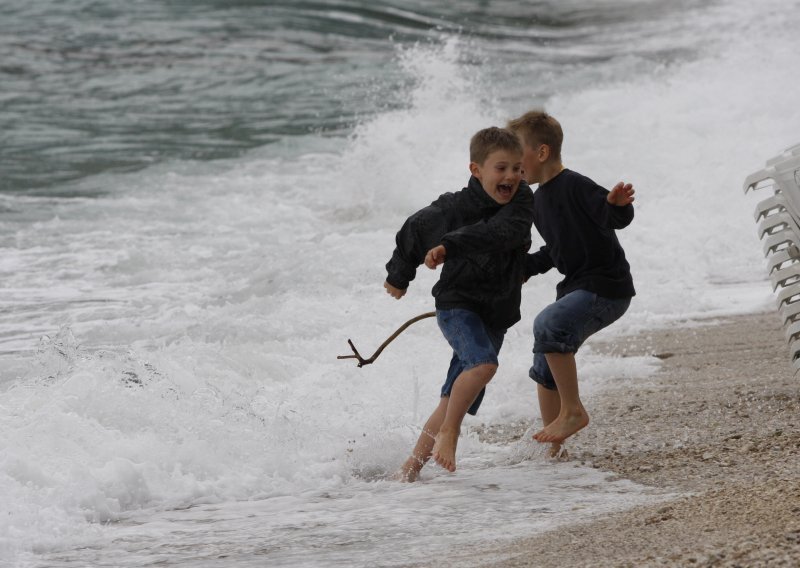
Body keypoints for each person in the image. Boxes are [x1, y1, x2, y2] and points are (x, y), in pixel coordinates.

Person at [384, 127, 534, 481]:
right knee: (483, 365)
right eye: (501, 168)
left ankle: (409, 470)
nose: (511, 176)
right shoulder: (454, 207)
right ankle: (451, 432)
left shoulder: (523, 202)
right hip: (458, 305)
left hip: (496, 314)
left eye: (517, 168)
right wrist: (399, 275)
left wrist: (450, 246)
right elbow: (415, 227)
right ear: (476, 170)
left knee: (451, 399)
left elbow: (503, 234)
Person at [506, 110, 636, 456]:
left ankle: (573, 411)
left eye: (519, 157)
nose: (514, 167)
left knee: (549, 324)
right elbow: (555, 250)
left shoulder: (574, 184)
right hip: (581, 286)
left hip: (607, 286)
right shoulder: (539, 200)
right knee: (544, 359)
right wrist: (525, 268)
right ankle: (555, 450)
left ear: (542, 153)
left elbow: (609, 215)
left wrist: (618, 206)